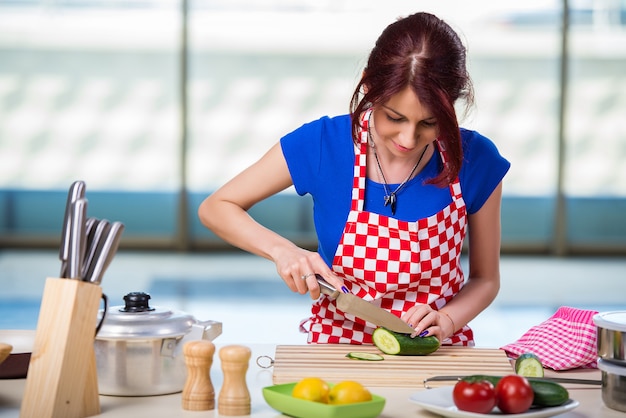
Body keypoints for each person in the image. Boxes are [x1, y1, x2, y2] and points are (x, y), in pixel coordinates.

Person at [198, 11, 510, 346]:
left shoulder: (476, 159)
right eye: (394, 117)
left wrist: (447, 320)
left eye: (429, 123)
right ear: (369, 85)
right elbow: (217, 207)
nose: (407, 138)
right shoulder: (323, 144)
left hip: (435, 351)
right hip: (337, 347)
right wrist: (283, 251)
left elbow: (485, 280)